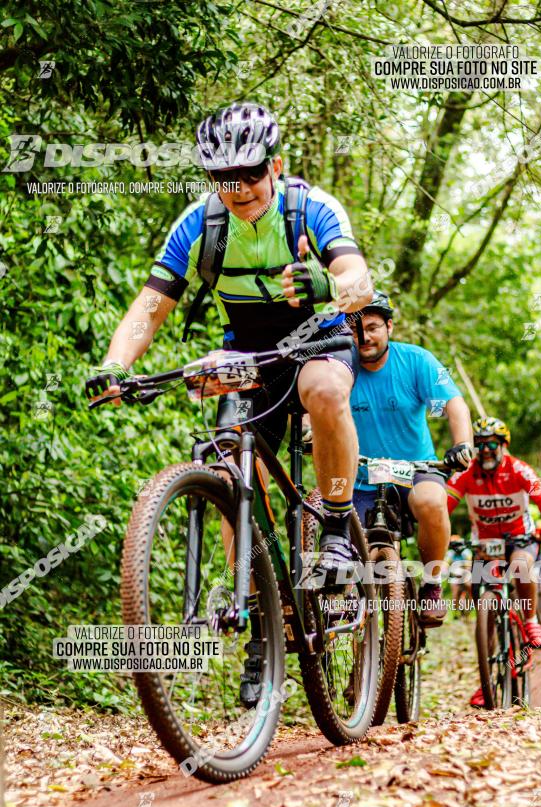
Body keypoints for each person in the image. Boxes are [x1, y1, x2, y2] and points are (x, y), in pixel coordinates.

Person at [85, 103, 373, 704]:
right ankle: (261, 625)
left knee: (322, 389)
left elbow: (358, 280)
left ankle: (339, 526)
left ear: (276, 164)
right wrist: (116, 365)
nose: (236, 187)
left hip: (318, 339)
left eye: (247, 172)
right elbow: (152, 304)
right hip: (245, 348)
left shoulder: (311, 208)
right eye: (223, 177)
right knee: (227, 467)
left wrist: (327, 285)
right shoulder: (200, 223)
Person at [348, 291, 474, 626]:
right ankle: (349, 603)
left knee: (433, 503)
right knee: (341, 534)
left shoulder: (416, 361)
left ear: (389, 326)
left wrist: (462, 444)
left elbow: (454, 404)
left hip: (416, 471)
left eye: (373, 327)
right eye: (356, 328)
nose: (365, 337)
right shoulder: (341, 367)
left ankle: (432, 586)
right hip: (360, 475)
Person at [446, 417, 541, 707]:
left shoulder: (519, 469)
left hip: (520, 537)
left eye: (491, 444)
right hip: (485, 544)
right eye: (480, 444)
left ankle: (531, 621)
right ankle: (486, 680)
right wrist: (441, 533)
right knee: (485, 608)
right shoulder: (467, 472)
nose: (485, 450)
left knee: (521, 565)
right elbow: (443, 506)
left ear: (503, 446)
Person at [445, 535, 473, 614]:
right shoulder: (450, 554)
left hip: (466, 575)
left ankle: (470, 606)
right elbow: (446, 566)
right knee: (455, 595)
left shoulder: (466, 553)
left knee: (469, 586)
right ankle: (456, 612)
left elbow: (470, 566)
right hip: (455, 576)